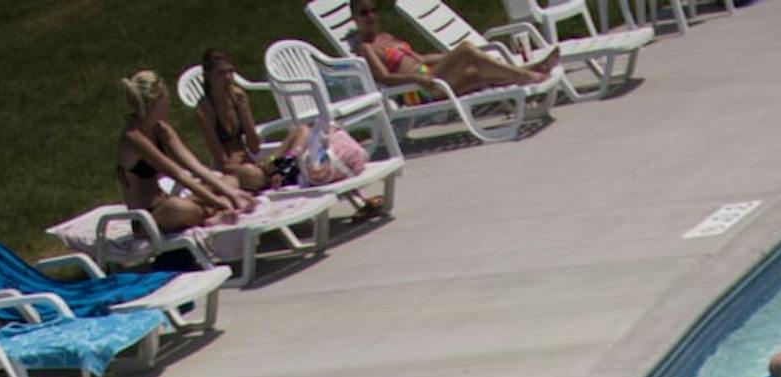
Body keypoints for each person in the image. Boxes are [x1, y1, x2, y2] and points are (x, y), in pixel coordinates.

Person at [195, 49, 373, 189]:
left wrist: (243, 110)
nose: (228, 78)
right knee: (254, 175)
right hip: (237, 172)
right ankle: (278, 173)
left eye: (230, 72)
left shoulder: (237, 96)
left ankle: (285, 165)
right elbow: (221, 163)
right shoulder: (204, 111)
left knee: (302, 130)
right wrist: (253, 170)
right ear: (208, 76)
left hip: (260, 164)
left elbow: (254, 146)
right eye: (221, 74)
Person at [117, 70, 256, 234]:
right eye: (165, 98)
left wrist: (231, 193)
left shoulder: (161, 129)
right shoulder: (134, 139)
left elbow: (195, 166)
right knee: (179, 208)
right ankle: (213, 213)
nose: (169, 103)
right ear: (155, 102)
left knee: (230, 181)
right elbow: (179, 175)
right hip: (147, 219)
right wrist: (221, 202)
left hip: (167, 202)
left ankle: (212, 212)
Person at [347, 0, 560, 101]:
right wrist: (417, 78)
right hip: (423, 89)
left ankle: (533, 68)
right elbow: (384, 77)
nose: (371, 16)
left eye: (373, 11)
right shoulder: (367, 47)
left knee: (482, 74)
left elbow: (420, 58)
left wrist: (451, 58)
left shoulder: (387, 37)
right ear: (355, 19)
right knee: (466, 49)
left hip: (433, 76)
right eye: (364, 13)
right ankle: (527, 74)